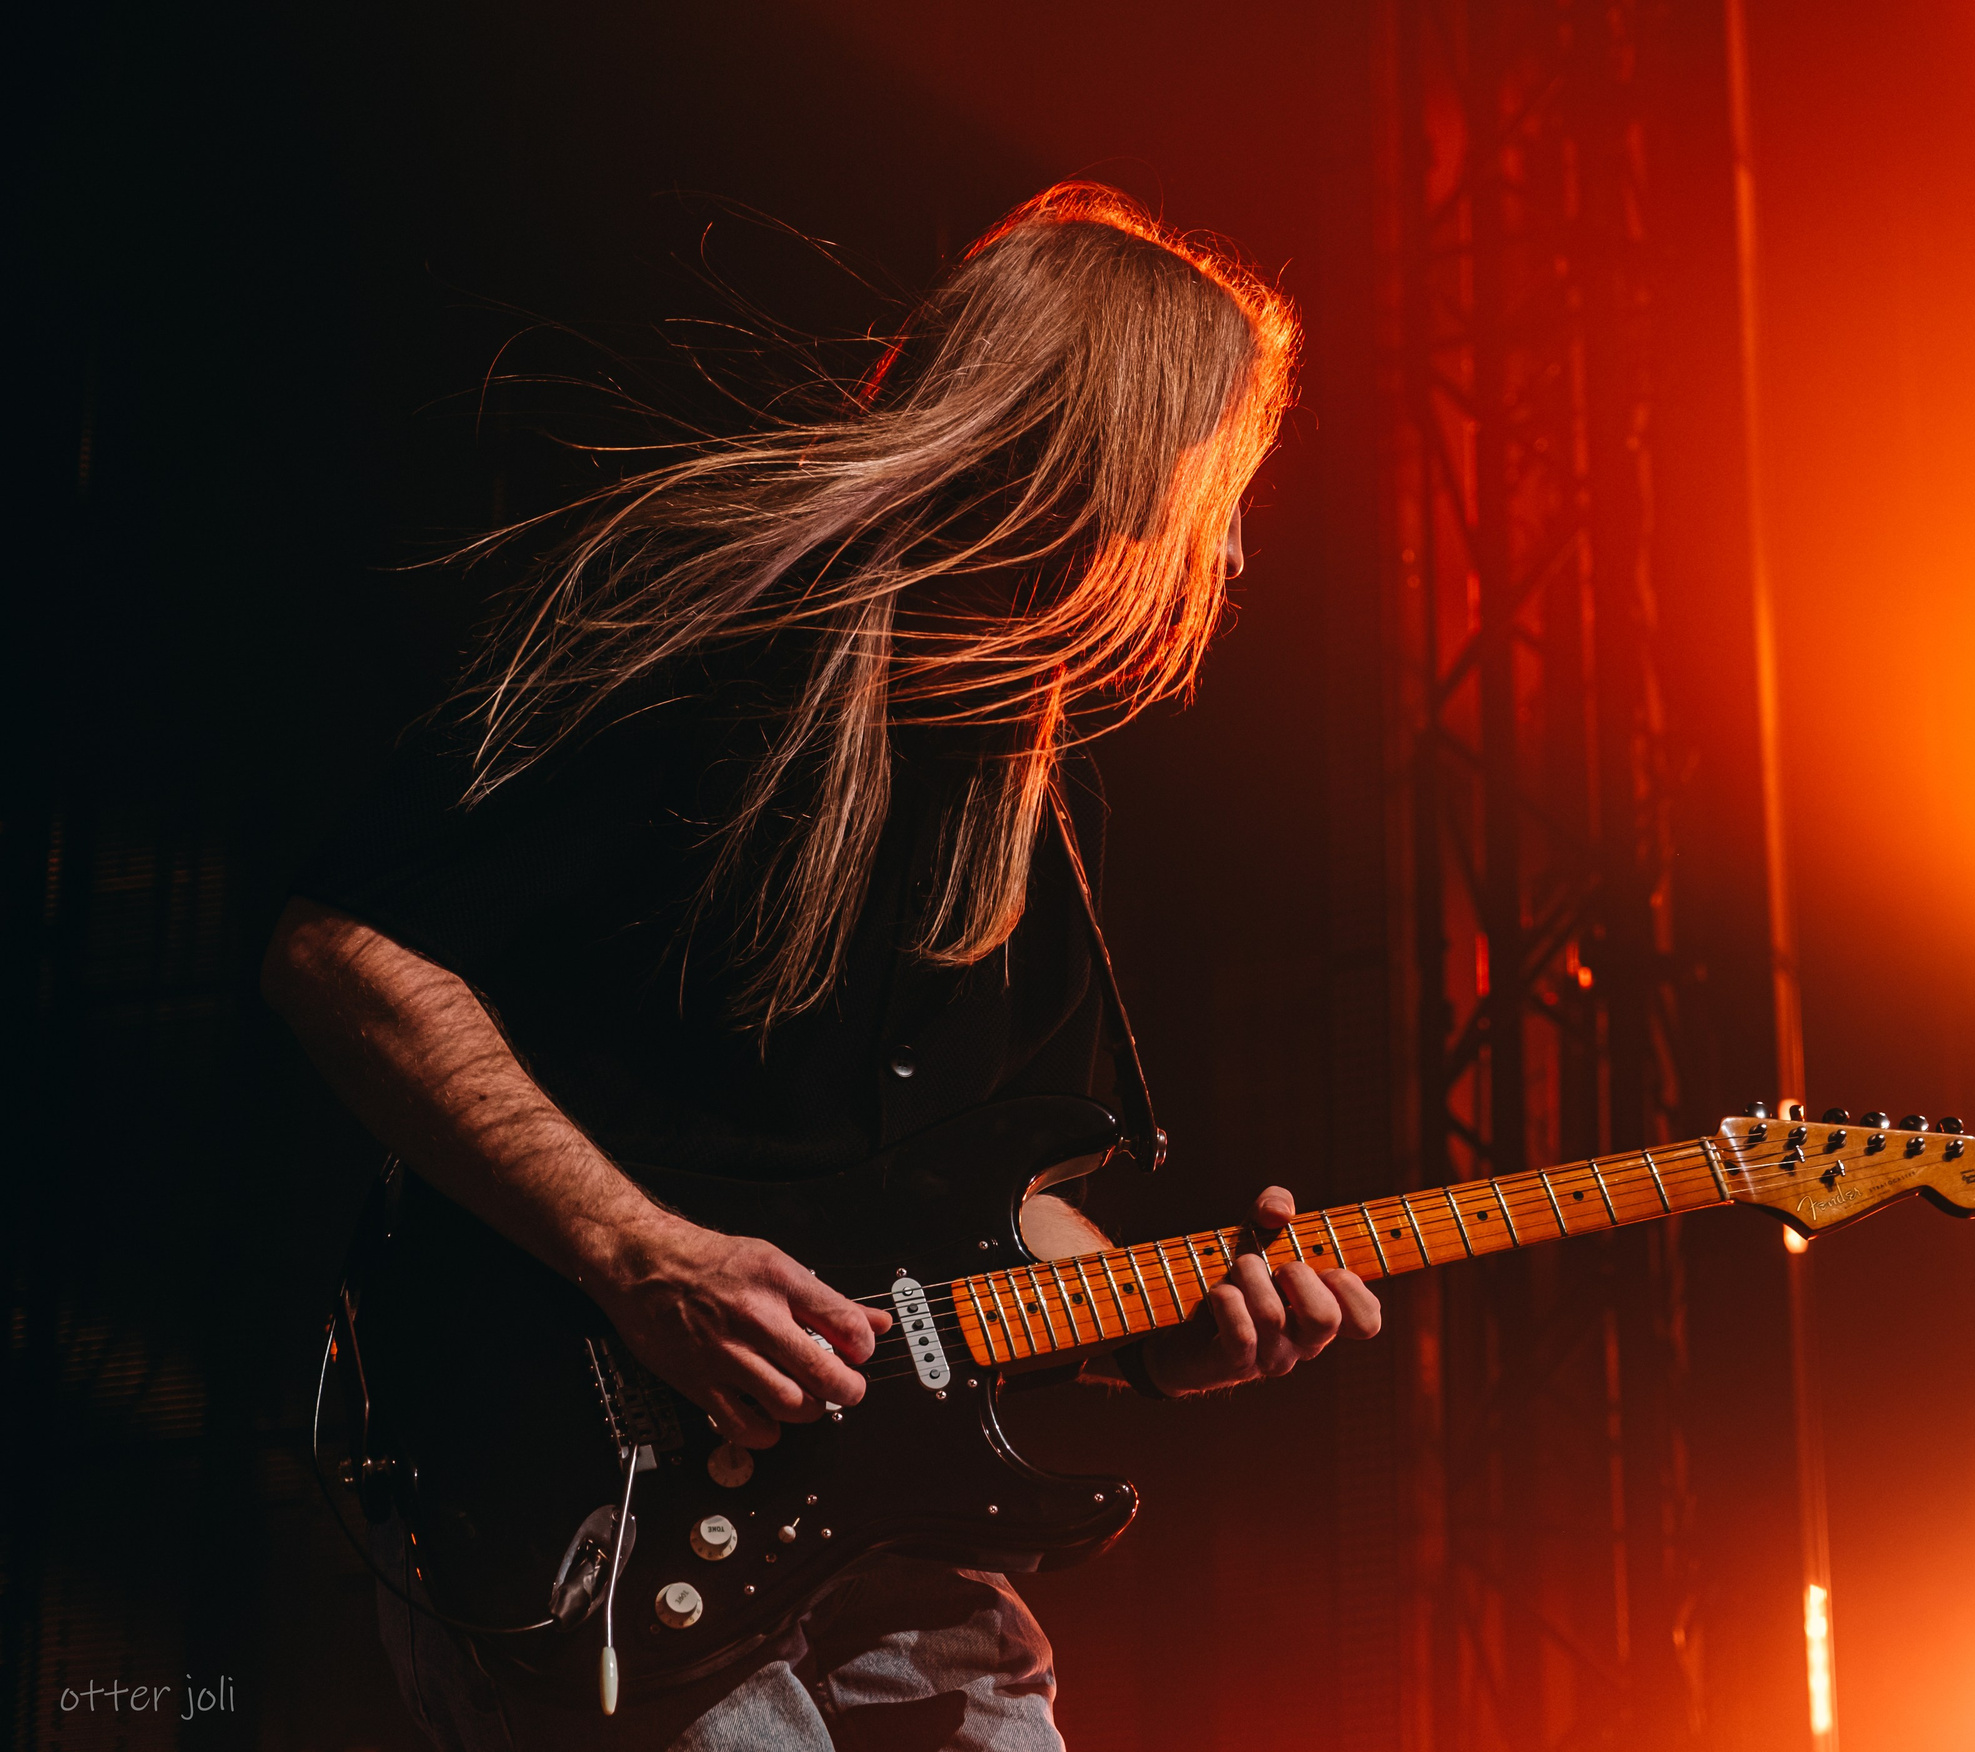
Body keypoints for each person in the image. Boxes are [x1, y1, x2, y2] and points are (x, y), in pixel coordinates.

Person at [262, 183, 1383, 1752]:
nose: (1219, 529)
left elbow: (979, 1201)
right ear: (1112, 444)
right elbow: (349, 946)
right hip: (561, 1478)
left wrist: (1160, 1333)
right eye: (1208, 468)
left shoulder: (1006, 779)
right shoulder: (707, 618)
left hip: (855, 1523)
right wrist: (637, 1255)